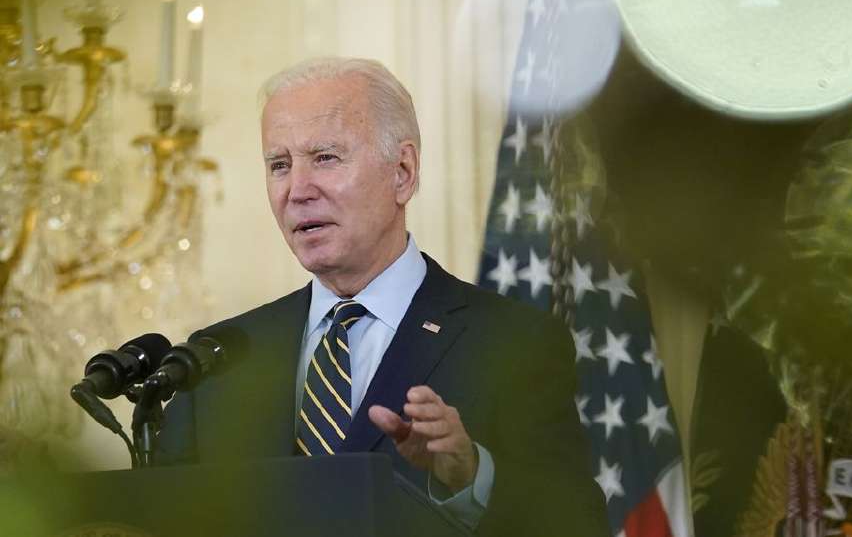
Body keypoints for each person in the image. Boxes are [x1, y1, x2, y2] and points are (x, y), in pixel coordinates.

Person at [155, 56, 609, 537]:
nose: (297, 190)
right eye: (279, 165)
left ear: (403, 172)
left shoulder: (513, 341)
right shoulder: (217, 357)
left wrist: (471, 476)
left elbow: (576, 524)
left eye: (325, 157)